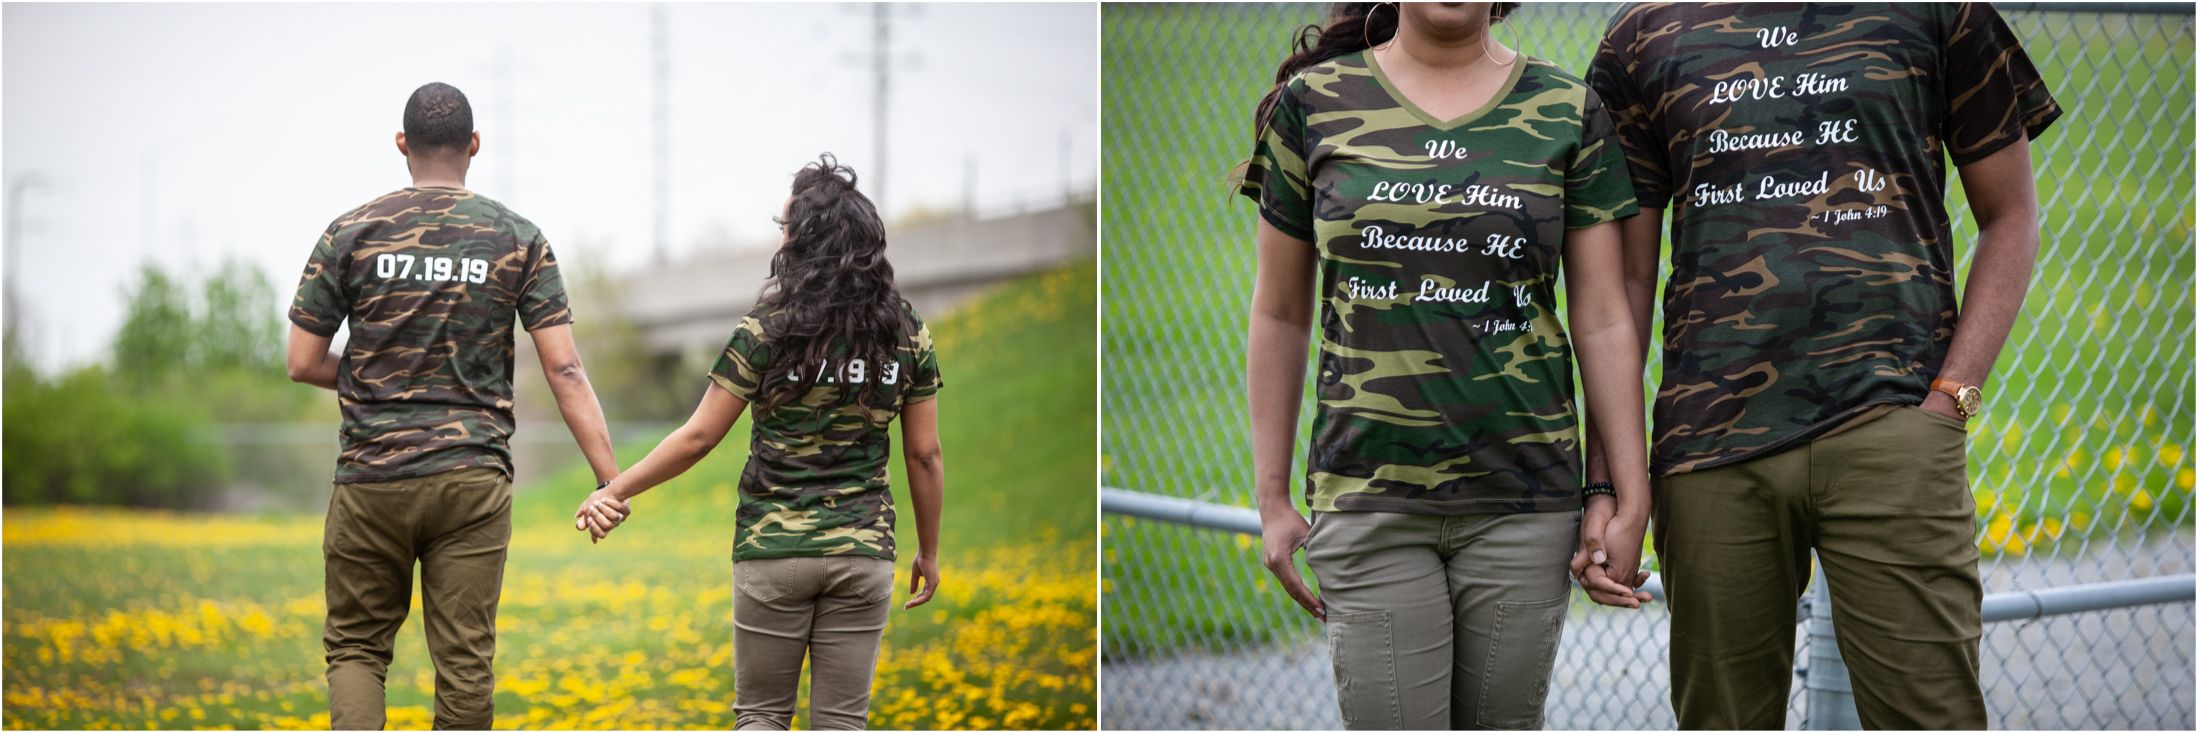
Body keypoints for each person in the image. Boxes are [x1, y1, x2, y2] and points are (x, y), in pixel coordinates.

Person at [1585, 4, 2058, 728]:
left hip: (1894, 427)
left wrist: (1951, 398)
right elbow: (1620, 288)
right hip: (1711, 447)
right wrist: (1609, 484)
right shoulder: (1644, 32)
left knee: (1930, 716)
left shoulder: (1937, 11)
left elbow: (2010, 214)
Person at [1241, 3, 1654, 729]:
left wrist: (1622, 492)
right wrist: (1272, 499)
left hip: (1524, 503)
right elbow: (1278, 312)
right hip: (1370, 501)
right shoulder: (1314, 104)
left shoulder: (1564, 109)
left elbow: (1602, 315)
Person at [285, 81, 622, 730]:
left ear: (402, 144)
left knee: (357, 649)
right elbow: (565, 367)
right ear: (473, 145)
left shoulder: (350, 232)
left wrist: (379, 379)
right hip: (471, 479)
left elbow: (302, 362)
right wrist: (611, 481)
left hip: (371, 477)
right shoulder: (517, 237)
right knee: (465, 662)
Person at [571, 154, 945, 731]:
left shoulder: (769, 326)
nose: (782, 235)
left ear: (802, 240)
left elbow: (699, 437)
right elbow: (925, 453)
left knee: (763, 717)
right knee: (843, 723)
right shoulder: (906, 330)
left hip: (773, 551)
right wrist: (929, 550)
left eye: (786, 226)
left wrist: (614, 490)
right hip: (862, 551)